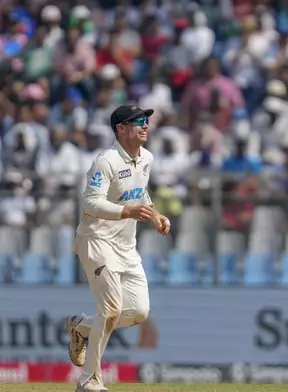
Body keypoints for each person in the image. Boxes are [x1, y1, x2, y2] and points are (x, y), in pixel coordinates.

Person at [65, 105, 171, 392]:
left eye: (146, 120)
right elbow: (90, 202)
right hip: (96, 240)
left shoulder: (146, 158)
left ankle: (81, 327)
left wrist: (156, 215)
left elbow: (140, 192)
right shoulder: (106, 161)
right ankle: (89, 381)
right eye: (138, 121)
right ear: (120, 129)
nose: (145, 125)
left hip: (126, 246)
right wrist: (127, 212)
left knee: (138, 312)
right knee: (110, 309)